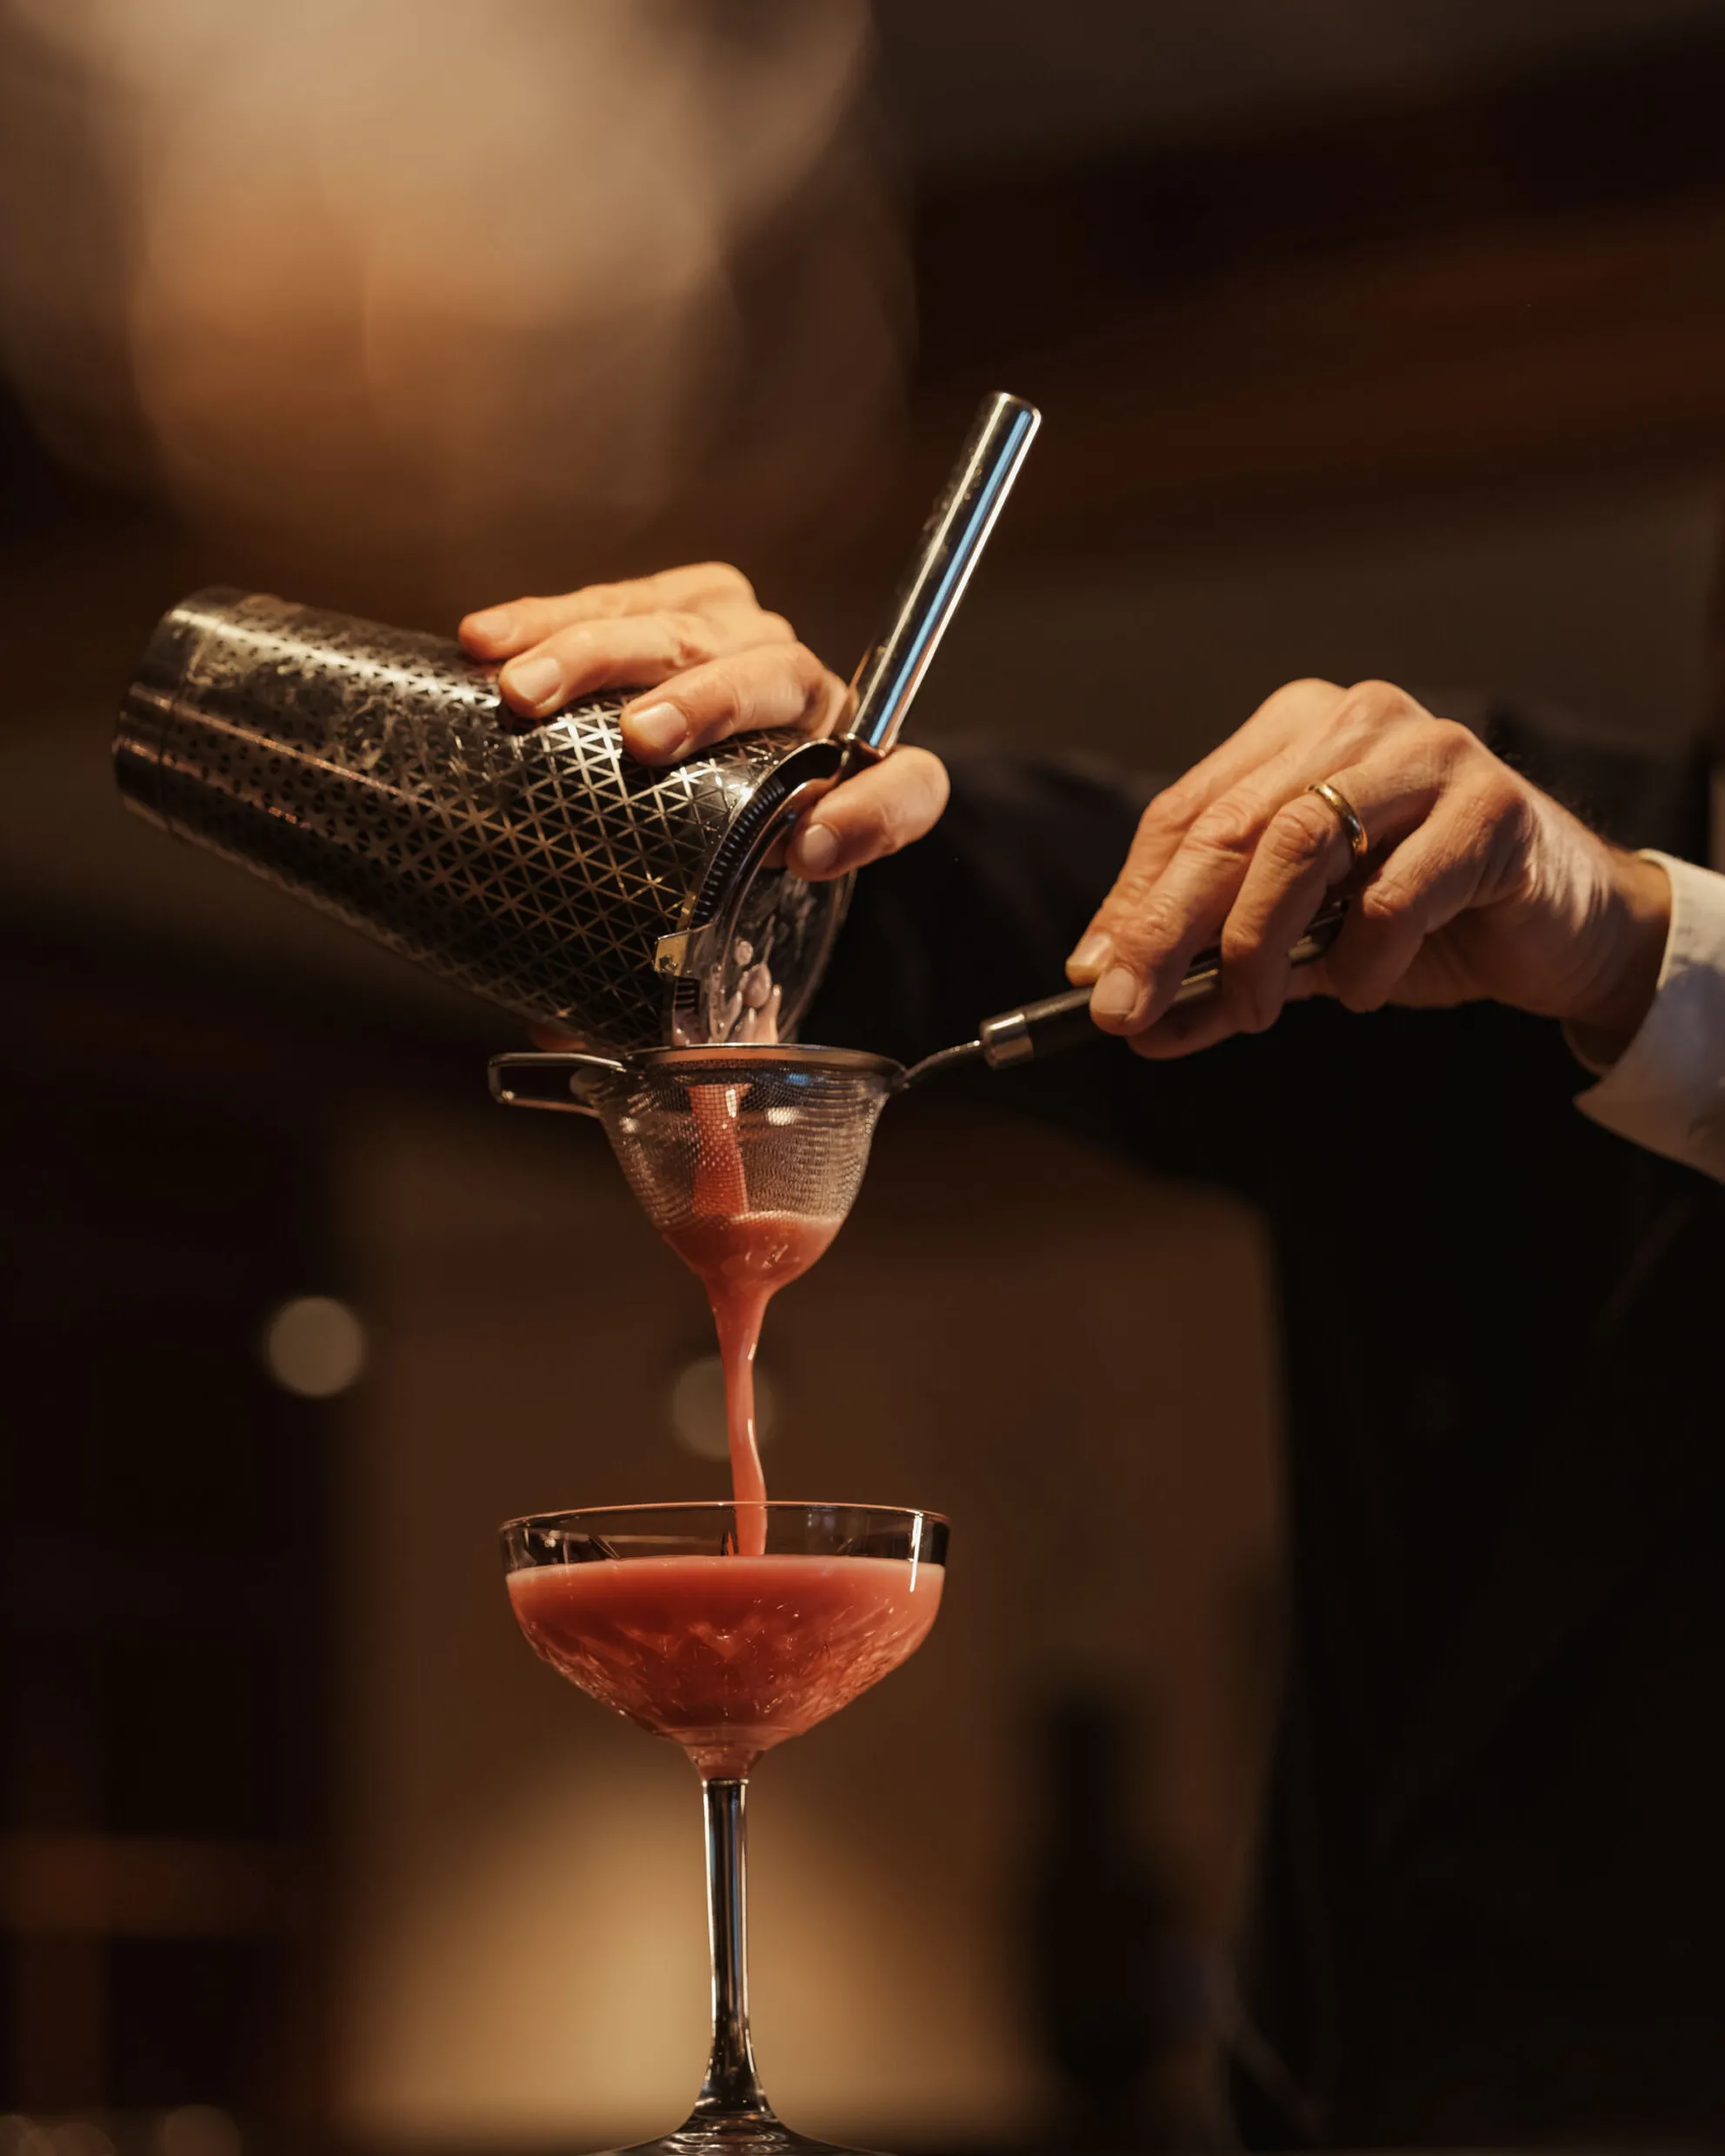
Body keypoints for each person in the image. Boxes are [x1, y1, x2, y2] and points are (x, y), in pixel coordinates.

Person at [461, 568, 1725, 2144]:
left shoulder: (1568, 878)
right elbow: (993, 895)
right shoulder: (1439, 851)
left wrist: (1652, 954)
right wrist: (766, 803)